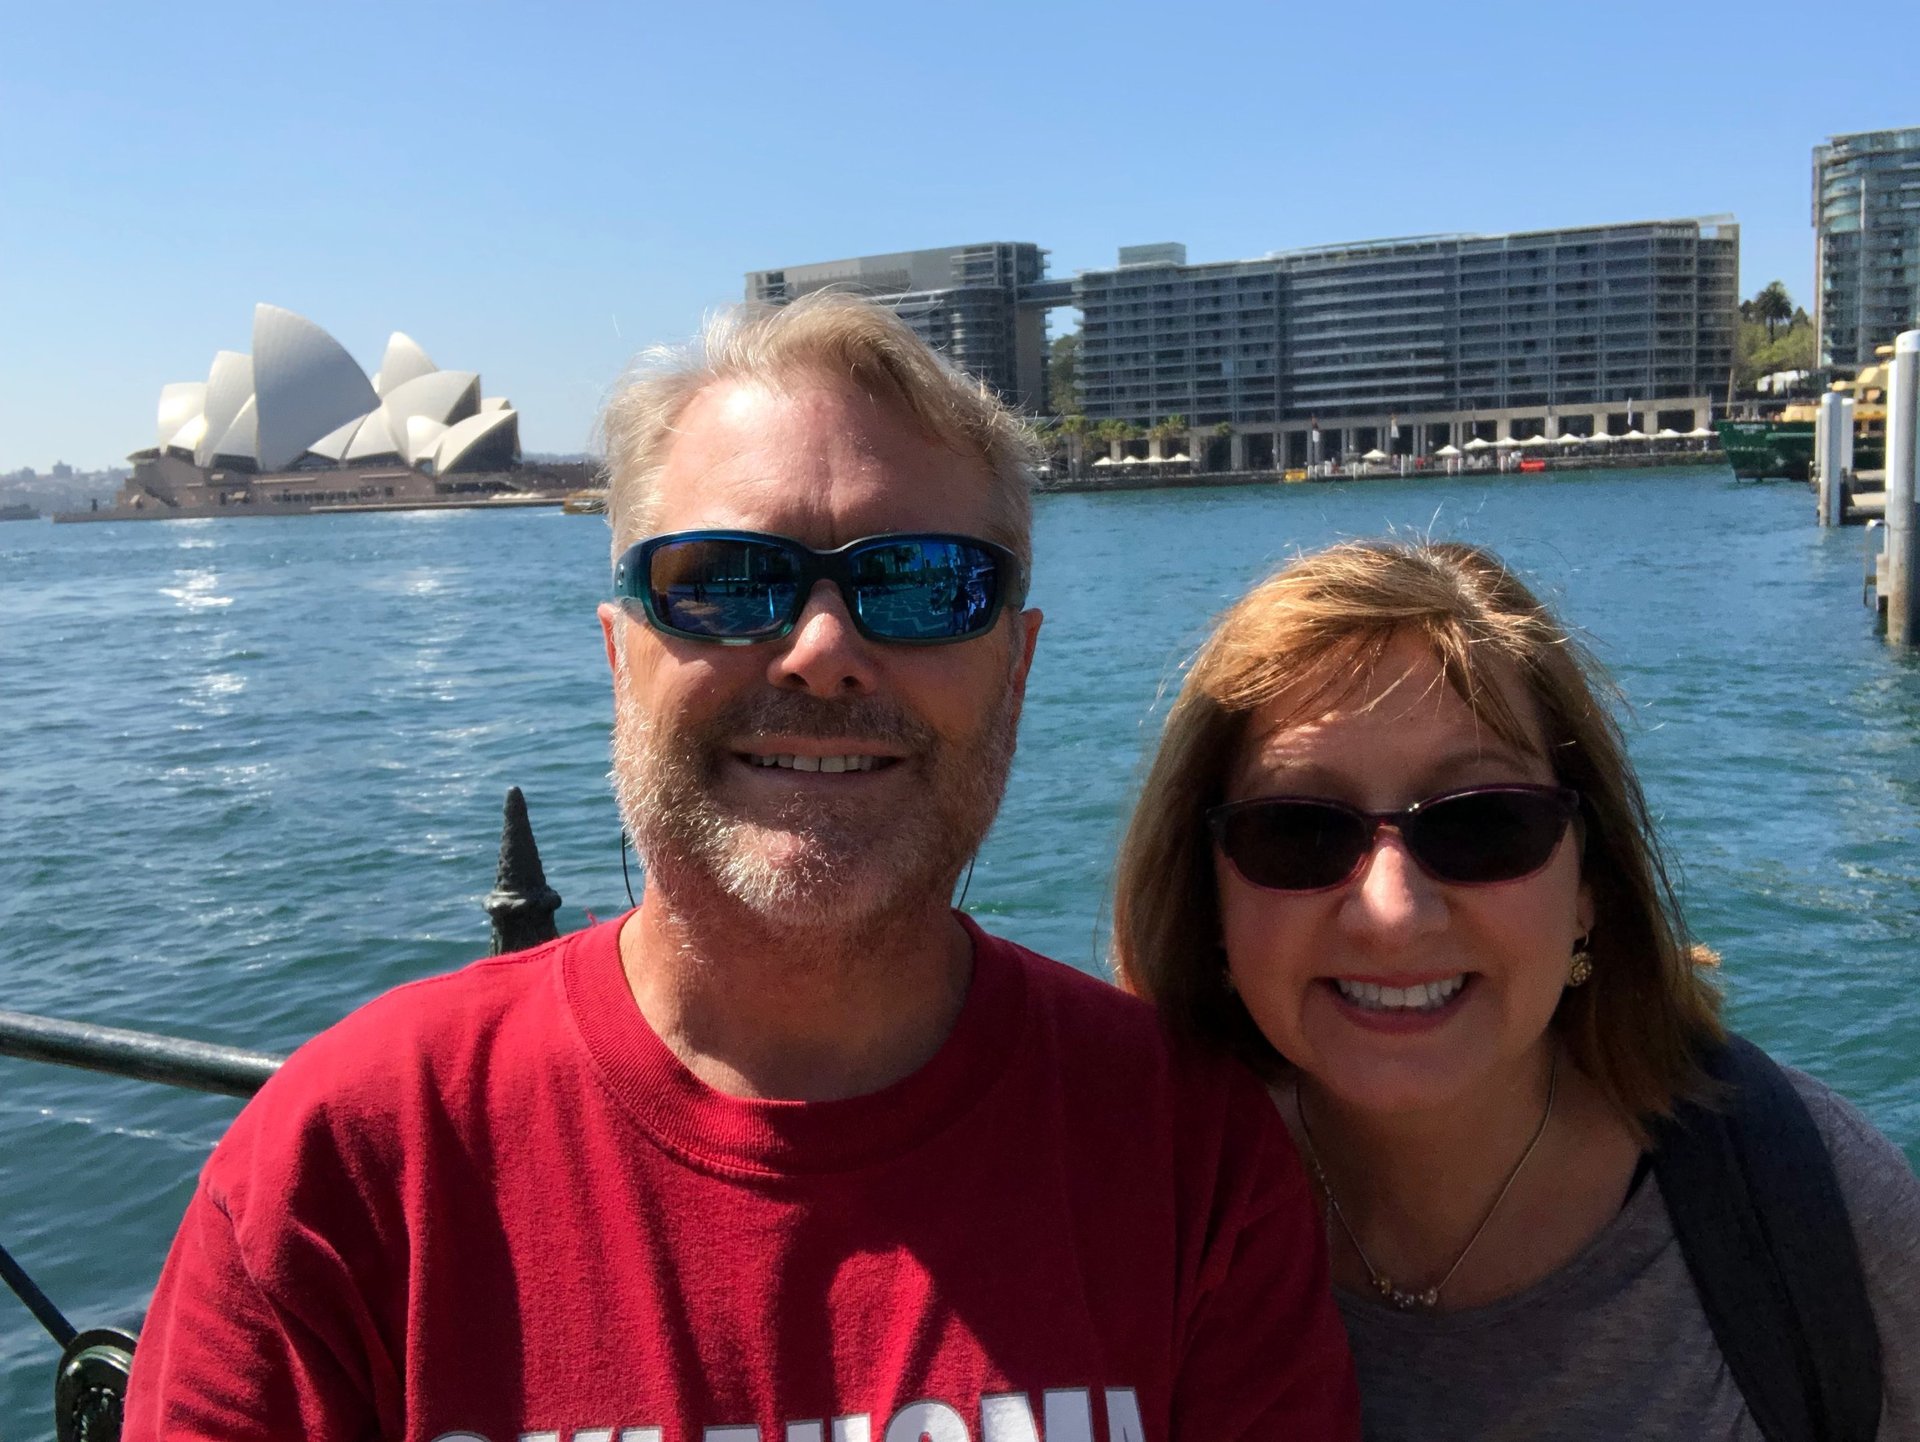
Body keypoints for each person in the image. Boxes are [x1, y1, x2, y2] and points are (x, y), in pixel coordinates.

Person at [124, 295, 1360, 1442]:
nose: (822, 648)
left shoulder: (1189, 1159)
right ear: (619, 655)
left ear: (1018, 665)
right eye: (722, 583)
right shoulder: (346, 1170)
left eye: (922, 584)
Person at [1111, 538, 1920, 1440]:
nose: (1394, 915)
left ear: (1589, 884)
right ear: (1208, 897)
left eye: (1484, 824)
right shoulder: (1129, 1218)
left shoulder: (1817, 1207)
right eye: (1296, 832)